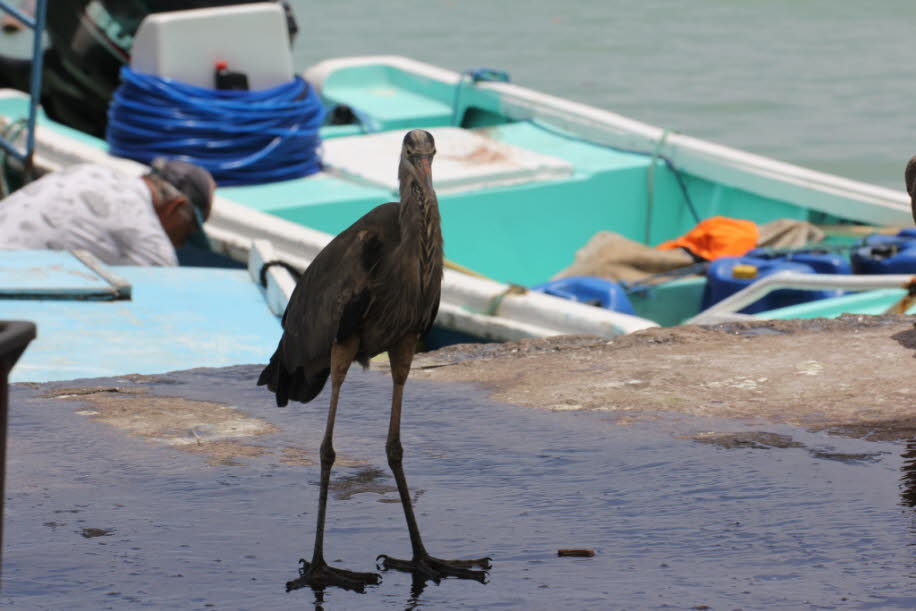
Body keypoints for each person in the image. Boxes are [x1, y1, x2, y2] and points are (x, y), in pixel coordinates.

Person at [0, 158, 215, 266]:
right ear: (174, 207)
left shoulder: (90, 170)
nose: (179, 245)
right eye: (187, 232)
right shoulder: (152, 246)